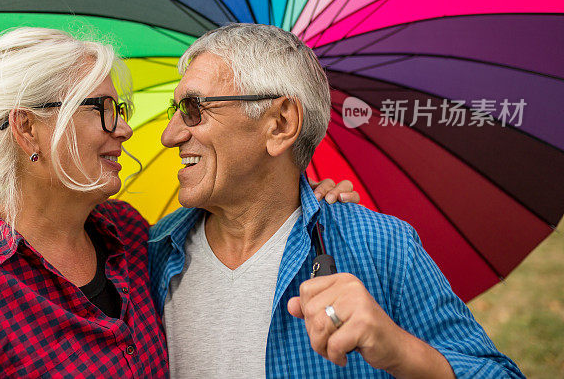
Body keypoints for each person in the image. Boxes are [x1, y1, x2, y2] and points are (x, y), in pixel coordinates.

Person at [0, 27, 355, 377]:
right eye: (102, 109)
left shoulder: (130, 236)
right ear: (28, 128)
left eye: (120, 110)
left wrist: (294, 198)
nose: (124, 129)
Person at [150, 23, 522, 378]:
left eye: (194, 109)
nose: (170, 135)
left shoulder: (382, 247)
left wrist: (399, 349)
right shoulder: (150, 252)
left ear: (280, 124)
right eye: (176, 109)